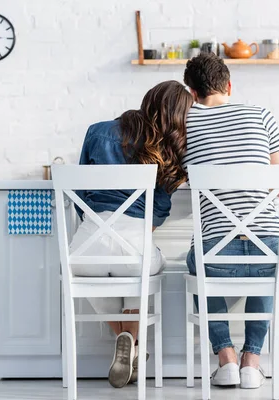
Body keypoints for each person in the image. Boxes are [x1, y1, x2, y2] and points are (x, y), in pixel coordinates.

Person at [70, 80, 193, 388]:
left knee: (92, 276)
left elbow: (81, 195)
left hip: (83, 249)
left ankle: (128, 341)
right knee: (140, 267)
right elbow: (156, 214)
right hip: (134, 251)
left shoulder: (97, 131)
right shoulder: (167, 151)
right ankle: (132, 341)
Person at [182, 53, 279, 389]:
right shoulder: (262, 115)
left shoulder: (184, 123)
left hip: (217, 259)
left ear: (192, 92)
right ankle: (252, 362)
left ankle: (226, 358)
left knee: (199, 259)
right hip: (268, 251)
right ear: (229, 85)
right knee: (271, 256)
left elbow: (179, 177)